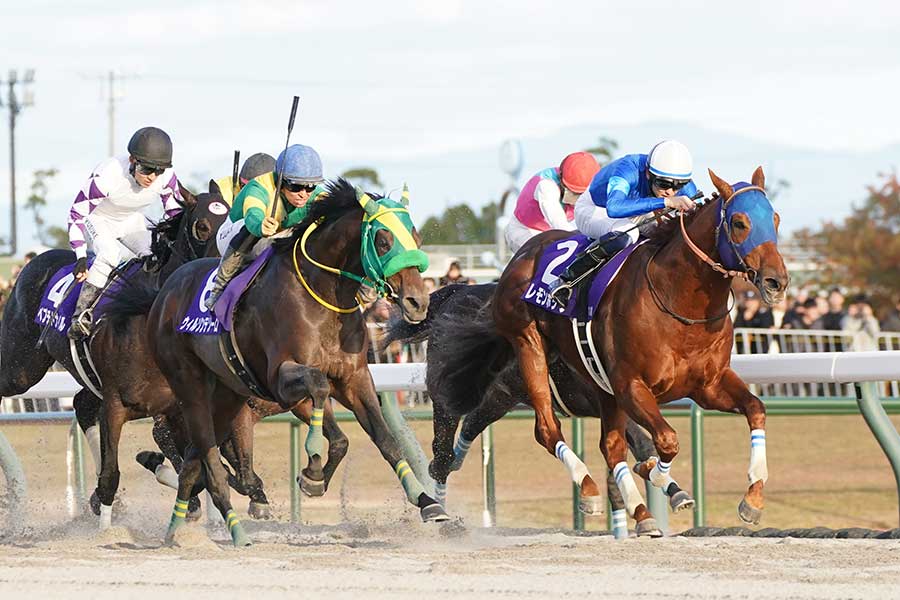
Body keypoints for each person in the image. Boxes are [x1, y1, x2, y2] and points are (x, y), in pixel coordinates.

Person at [67, 126, 183, 339]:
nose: (153, 177)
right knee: (110, 254)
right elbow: (76, 214)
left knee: (156, 255)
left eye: (159, 171)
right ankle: (81, 315)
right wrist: (81, 256)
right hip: (100, 219)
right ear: (132, 160)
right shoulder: (108, 175)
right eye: (147, 169)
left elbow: (175, 213)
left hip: (131, 219)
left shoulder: (167, 177)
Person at [551, 140, 699, 303]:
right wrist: (666, 202)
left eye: (679, 185)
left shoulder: (675, 180)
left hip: (638, 212)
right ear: (649, 174)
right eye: (664, 184)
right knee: (628, 233)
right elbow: (614, 208)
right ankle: (567, 280)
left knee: (671, 234)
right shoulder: (628, 168)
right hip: (595, 209)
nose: (671, 191)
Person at [205, 144, 325, 310]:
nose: (303, 193)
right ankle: (219, 288)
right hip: (235, 233)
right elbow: (253, 214)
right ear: (281, 180)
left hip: (276, 235)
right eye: (296, 186)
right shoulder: (259, 188)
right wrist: (260, 225)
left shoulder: (315, 194)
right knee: (251, 231)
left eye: (310, 187)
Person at [504, 152, 600, 253]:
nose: (579, 199)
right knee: (548, 255)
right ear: (561, 178)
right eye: (575, 193)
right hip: (523, 231)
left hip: (550, 233)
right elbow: (559, 224)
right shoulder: (546, 185)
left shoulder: (595, 188)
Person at [209, 152, 276, 206]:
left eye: (253, 188)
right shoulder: (221, 190)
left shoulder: (281, 199)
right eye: (243, 185)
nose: (246, 192)